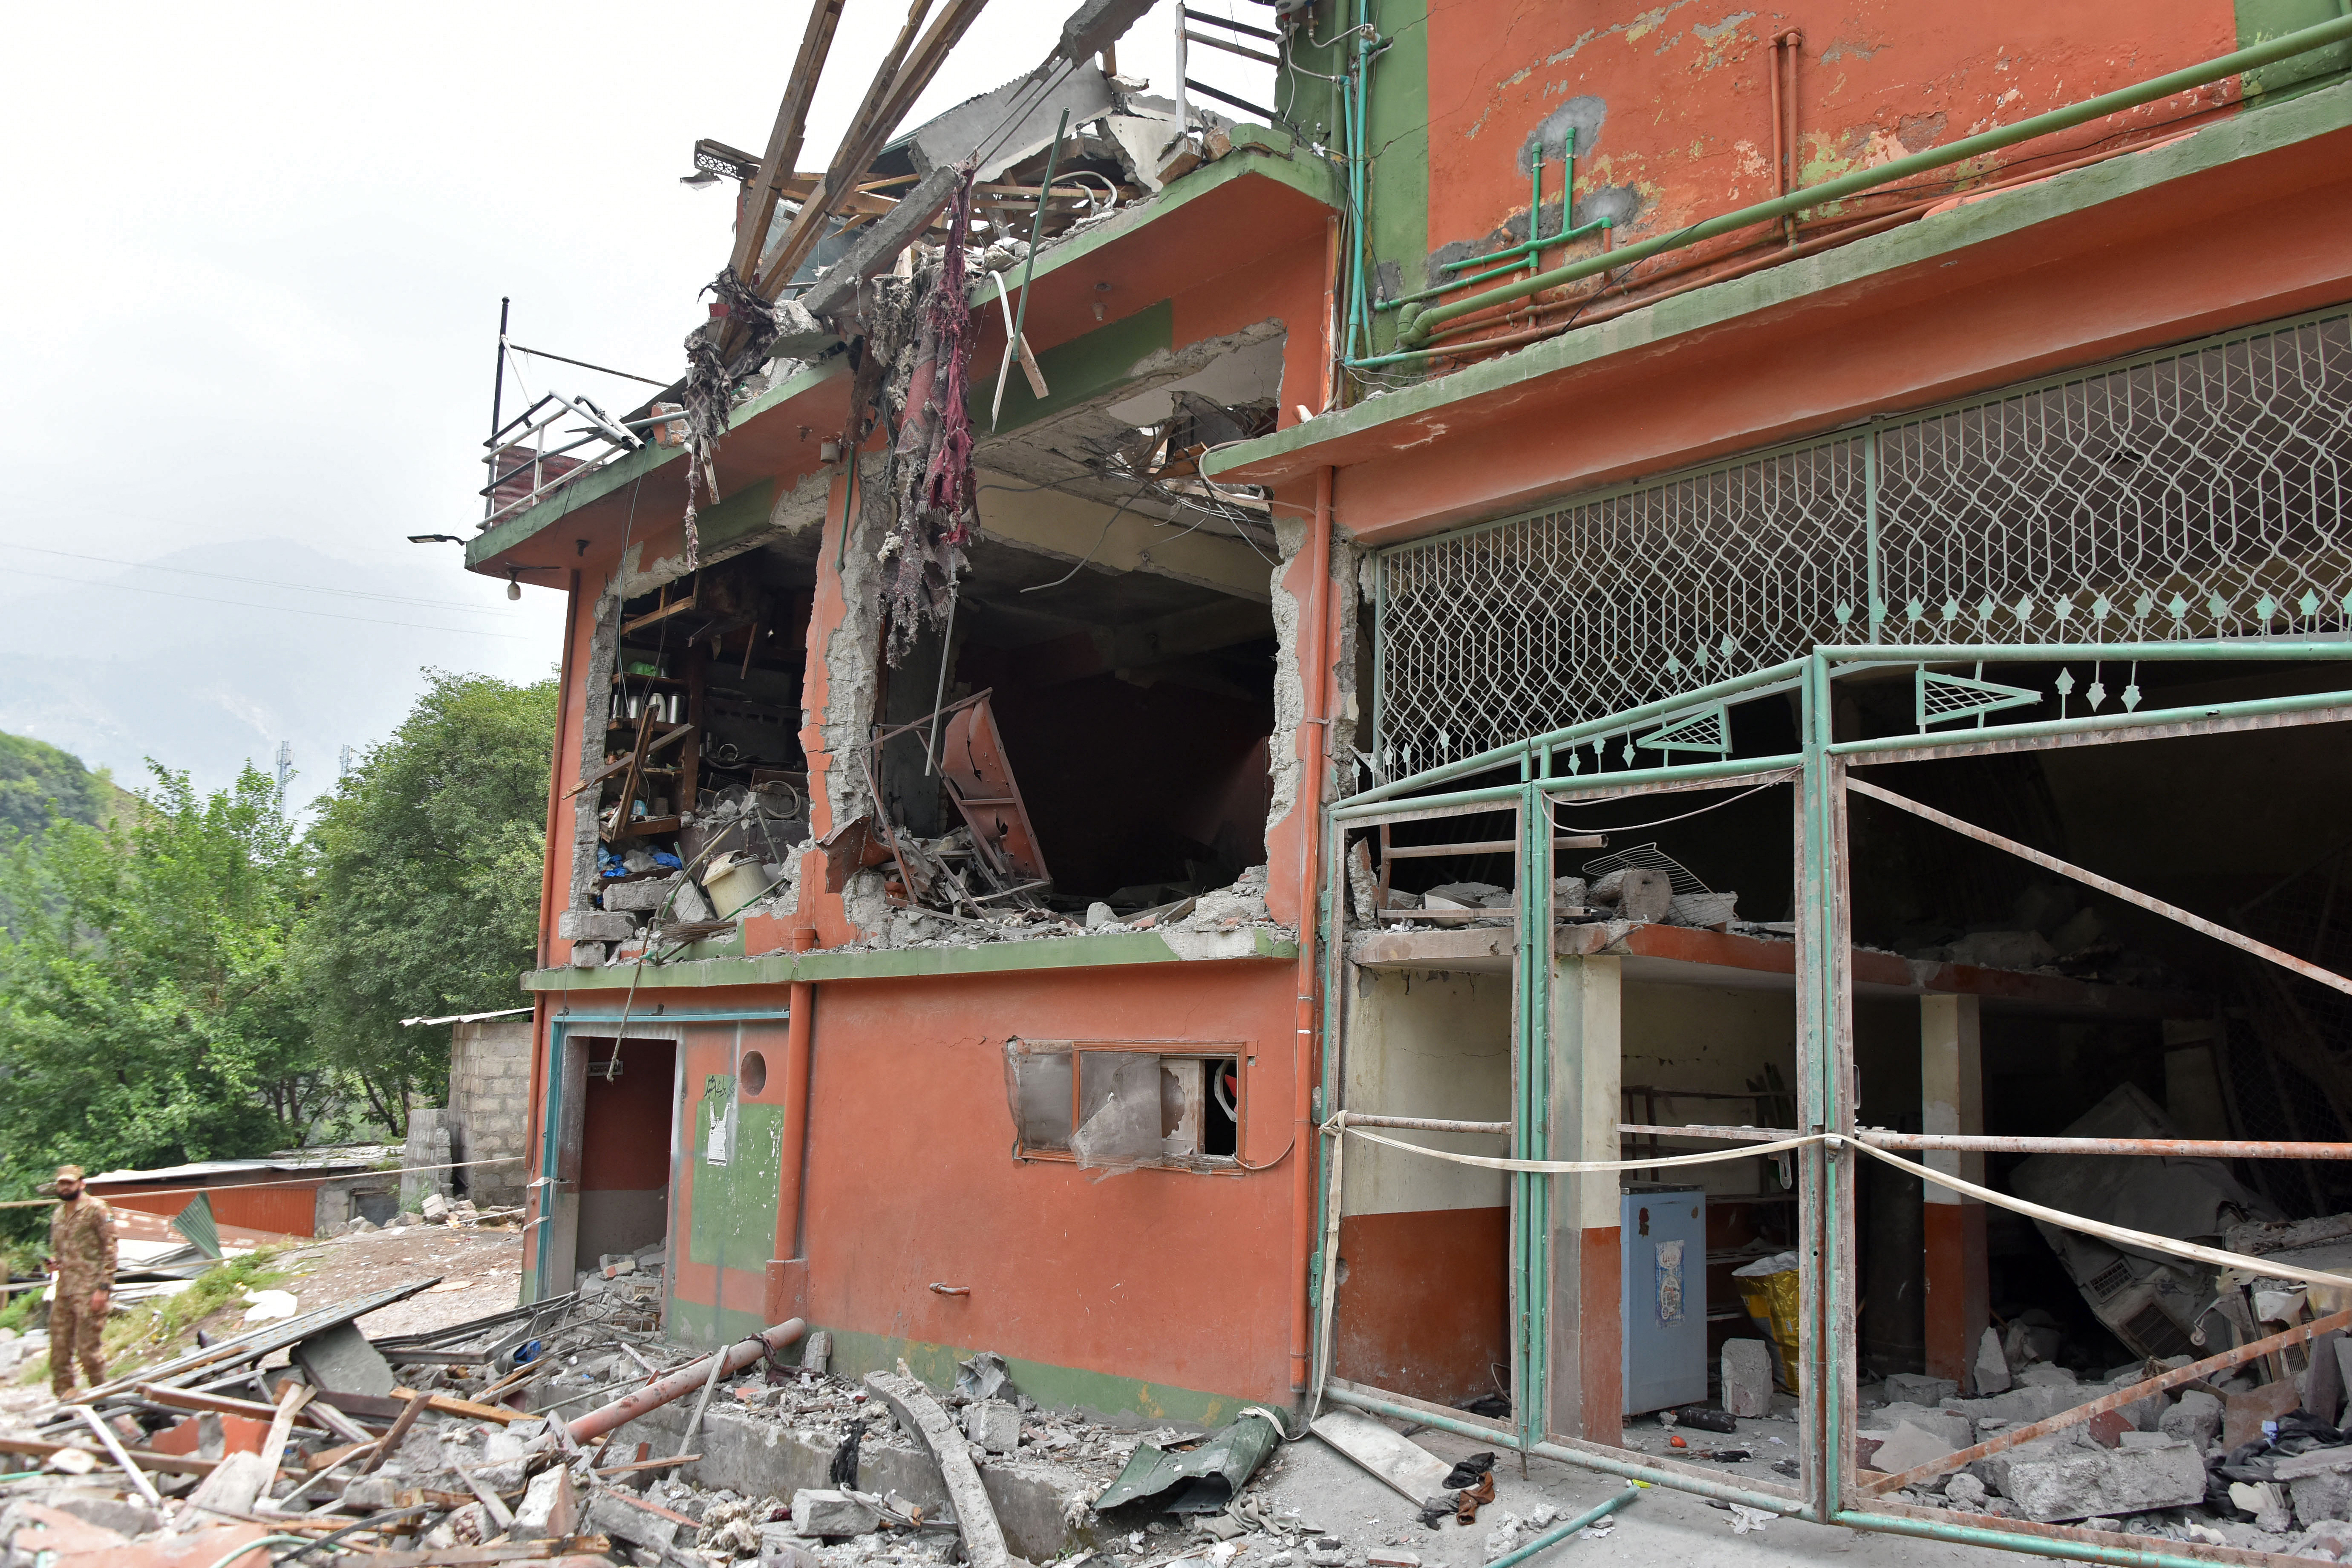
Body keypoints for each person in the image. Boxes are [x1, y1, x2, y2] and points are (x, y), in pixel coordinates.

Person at [43, 1165, 115, 1400]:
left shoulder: (97, 1209)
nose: (65, 1187)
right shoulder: (58, 1214)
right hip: (65, 1289)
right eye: (61, 1183)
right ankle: (66, 1399)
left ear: (81, 1184)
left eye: (70, 1183)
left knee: (88, 1350)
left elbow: (111, 1249)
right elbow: (64, 1252)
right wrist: (55, 1263)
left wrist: (104, 1288)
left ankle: (103, 1399)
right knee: (60, 1349)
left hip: (90, 1289)